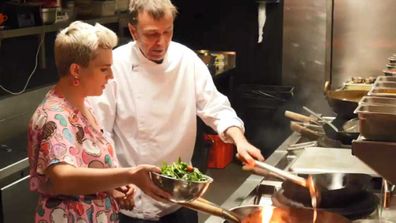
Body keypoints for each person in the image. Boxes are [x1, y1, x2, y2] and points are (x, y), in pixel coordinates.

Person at [89, 0, 265, 222]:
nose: (161, 42)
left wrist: (240, 140)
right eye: (152, 34)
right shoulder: (115, 65)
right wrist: (112, 180)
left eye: (167, 32)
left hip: (181, 192)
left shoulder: (186, 59)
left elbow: (216, 108)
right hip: (131, 198)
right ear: (133, 31)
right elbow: (98, 133)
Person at [27, 21, 170, 223]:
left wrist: (111, 187)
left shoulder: (85, 106)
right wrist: (129, 175)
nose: (111, 76)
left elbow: (84, 167)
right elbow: (62, 177)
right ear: (76, 70)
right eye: (104, 69)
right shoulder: (54, 115)